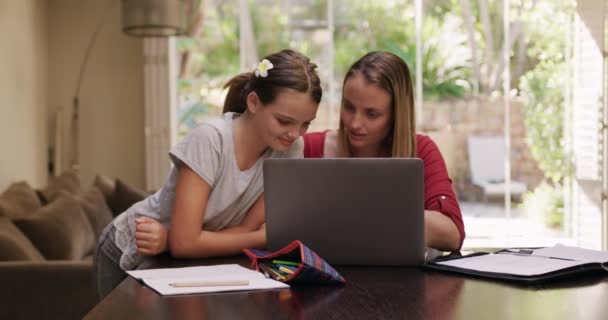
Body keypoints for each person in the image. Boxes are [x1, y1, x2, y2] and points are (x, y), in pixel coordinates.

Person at [95, 49, 322, 298]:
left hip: (173, 254)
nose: (295, 133)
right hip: (130, 247)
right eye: (284, 121)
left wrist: (179, 241)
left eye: (306, 123)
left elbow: (246, 230)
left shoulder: (291, 147)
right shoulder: (210, 140)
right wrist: (261, 237)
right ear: (254, 102)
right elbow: (190, 243)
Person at [303, 51, 464, 252]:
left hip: (404, 281)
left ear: (396, 115)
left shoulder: (421, 151)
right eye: (348, 107)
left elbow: (452, 235)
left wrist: (364, 211)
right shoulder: (309, 147)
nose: (354, 123)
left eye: (372, 114)